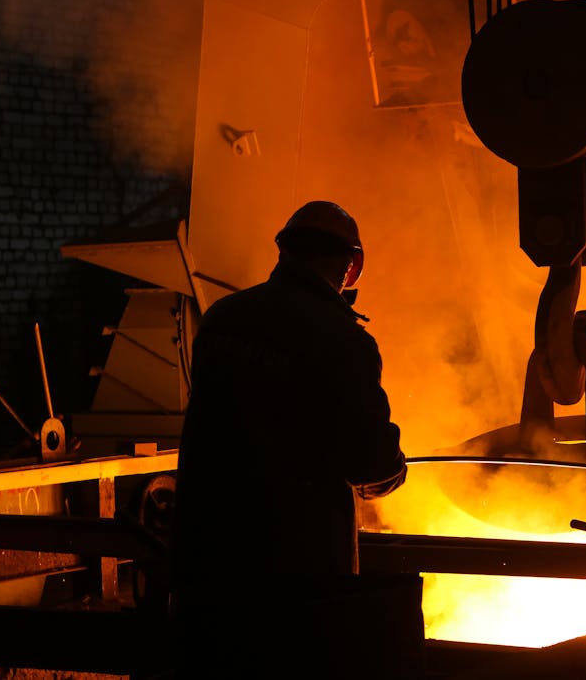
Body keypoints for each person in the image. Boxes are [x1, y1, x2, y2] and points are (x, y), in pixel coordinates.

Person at [170, 201, 413, 677]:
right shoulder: (343, 341)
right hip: (295, 579)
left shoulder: (222, 319)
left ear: (282, 251)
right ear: (352, 265)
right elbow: (371, 463)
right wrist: (393, 470)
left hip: (205, 561)